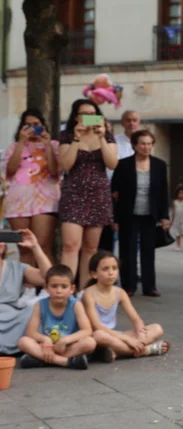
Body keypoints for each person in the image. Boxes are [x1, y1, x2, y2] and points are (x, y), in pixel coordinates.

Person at [58, 99, 118, 289]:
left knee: (91, 248)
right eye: (84, 114)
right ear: (76, 117)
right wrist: (77, 138)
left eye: (93, 114)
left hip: (98, 194)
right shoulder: (67, 135)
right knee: (70, 245)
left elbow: (112, 164)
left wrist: (102, 138)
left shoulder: (106, 135)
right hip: (74, 193)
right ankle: (65, 289)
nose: (89, 118)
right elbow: (65, 165)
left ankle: (85, 291)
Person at [112, 130, 170, 297]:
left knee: (148, 250)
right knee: (127, 250)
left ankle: (149, 286)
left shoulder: (159, 165)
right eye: (143, 144)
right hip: (128, 213)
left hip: (150, 214)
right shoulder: (123, 165)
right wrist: (114, 218)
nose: (146, 147)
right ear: (135, 146)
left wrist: (164, 216)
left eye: (149, 144)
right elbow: (114, 192)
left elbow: (163, 192)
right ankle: (128, 285)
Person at [82, 252, 168, 360]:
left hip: (115, 336)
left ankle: (118, 351)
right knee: (99, 335)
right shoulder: (88, 294)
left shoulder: (120, 292)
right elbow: (96, 327)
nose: (111, 273)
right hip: (98, 336)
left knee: (157, 328)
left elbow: (136, 319)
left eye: (114, 268)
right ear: (94, 274)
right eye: (105, 269)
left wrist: (141, 337)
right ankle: (145, 350)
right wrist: (127, 339)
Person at [3, 109, 60, 266]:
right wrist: (21, 142)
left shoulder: (53, 145)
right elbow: (10, 170)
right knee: (24, 249)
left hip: (45, 201)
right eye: (28, 125)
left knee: (43, 247)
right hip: (18, 202)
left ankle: (49, 281)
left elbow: (54, 171)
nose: (32, 128)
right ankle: (28, 281)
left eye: (36, 124)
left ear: (43, 126)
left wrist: (47, 145)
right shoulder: (14, 147)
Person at [17, 265, 95, 370]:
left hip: (68, 346)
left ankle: (43, 360)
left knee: (90, 343)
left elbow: (87, 330)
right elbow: (30, 332)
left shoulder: (76, 305)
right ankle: (66, 361)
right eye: (54, 286)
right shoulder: (40, 304)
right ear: (46, 288)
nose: (59, 291)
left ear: (72, 289)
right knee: (23, 342)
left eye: (64, 287)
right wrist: (46, 340)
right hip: (47, 347)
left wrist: (65, 340)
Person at [0, 230, 52, 355]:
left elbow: (48, 278)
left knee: (34, 309)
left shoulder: (16, 267)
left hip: (14, 319)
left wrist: (35, 247)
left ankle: (31, 349)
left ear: (1, 247)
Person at [99, 110, 141, 253]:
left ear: (139, 122)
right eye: (128, 120)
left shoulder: (143, 143)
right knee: (110, 233)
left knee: (132, 237)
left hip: (135, 194)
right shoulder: (114, 141)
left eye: (134, 120)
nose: (131, 123)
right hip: (112, 192)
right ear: (122, 123)